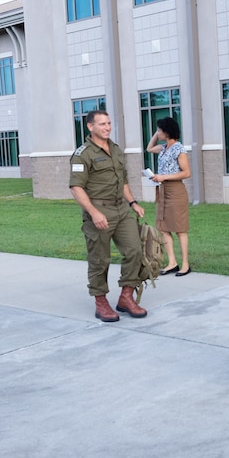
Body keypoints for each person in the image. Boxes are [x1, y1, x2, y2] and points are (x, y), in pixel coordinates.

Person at [69, 109, 148, 322]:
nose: (107, 127)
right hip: (98, 211)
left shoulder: (115, 149)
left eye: (109, 123)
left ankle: (126, 296)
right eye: (102, 124)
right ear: (90, 126)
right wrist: (94, 213)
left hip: (121, 210)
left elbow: (122, 182)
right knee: (99, 260)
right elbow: (76, 187)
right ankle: (100, 302)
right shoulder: (82, 153)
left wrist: (133, 203)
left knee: (135, 251)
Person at [146, 116, 192, 276]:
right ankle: (172, 262)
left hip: (176, 191)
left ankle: (185, 264)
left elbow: (186, 173)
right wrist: (157, 133)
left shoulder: (179, 149)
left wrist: (164, 176)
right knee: (164, 228)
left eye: (160, 130)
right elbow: (149, 148)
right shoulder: (163, 147)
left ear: (167, 132)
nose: (157, 133)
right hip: (162, 191)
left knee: (180, 229)